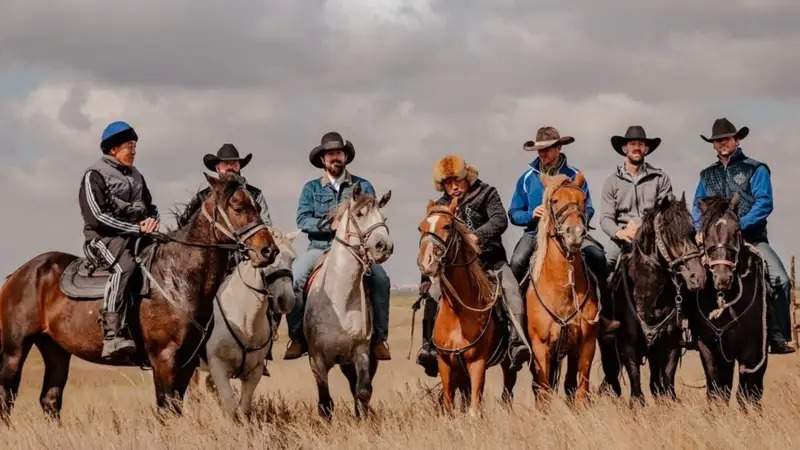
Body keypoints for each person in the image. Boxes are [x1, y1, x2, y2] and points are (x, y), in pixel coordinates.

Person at [416, 155, 531, 374]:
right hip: (455, 270)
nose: (453, 187)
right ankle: (429, 347)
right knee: (432, 295)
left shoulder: (487, 193)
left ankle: (517, 343)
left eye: (457, 181)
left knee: (512, 290)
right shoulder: (440, 206)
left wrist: (476, 237)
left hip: (490, 261)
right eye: (448, 184)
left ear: (466, 176)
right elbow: (432, 239)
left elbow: (499, 220)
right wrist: (425, 278)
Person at [284, 131, 392, 360]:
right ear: (323, 160)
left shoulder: (363, 185)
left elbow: (372, 215)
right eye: (330, 154)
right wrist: (329, 226)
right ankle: (297, 337)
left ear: (345, 157)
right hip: (319, 248)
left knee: (381, 280)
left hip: (356, 252)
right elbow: (302, 220)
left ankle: (380, 339)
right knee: (294, 279)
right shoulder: (310, 189)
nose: (335, 157)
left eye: (339, 153)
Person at [692, 118, 794, 354]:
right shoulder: (707, 175)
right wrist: (700, 230)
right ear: (713, 145)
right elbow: (697, 207)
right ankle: (690, 329)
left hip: (750, 238)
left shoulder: (756, 169)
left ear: (737, 140)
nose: (722, 144)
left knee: (780, 280)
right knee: (689, 276)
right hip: (715, 244)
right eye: (717, 141)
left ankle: (777, 335)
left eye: (726, 139)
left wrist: (738, 227)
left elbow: (764, 202)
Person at [78, 121, 159, 360]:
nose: (134, 151)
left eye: (134, 146)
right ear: (113, 149)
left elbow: (150, 206)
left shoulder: (137, 176)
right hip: (101, 239)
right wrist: (136, 227)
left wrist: (151, 222)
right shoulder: (94, 175)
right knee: (125, 267)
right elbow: (97, 216)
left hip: (135, 237)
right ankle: (112, 336)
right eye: (129, 146)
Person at [600, 126, 673, 271]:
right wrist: (620, 233)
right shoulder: (611, 181)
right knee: (606, 262)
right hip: (622, 238)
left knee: (678, 264)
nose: (637, 148)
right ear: (624, 149)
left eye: (640, 144)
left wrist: (642, 224)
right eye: (632, 144)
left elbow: (667, 212)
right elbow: (605, 218)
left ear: (646, 149)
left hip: (654, 236)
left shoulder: (660, 178)